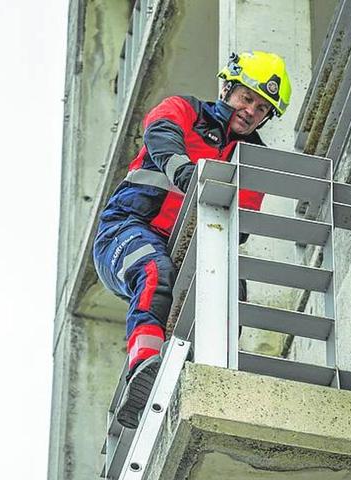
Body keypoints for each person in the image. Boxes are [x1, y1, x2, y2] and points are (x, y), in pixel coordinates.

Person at [93, 51, 292, 429]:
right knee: (154, 269)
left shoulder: (253, 158)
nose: (251, 111)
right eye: (247, 98)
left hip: (184, 248)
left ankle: (207, 377)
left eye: (262, 108)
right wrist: (185, 173)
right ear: (228, 89)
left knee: (232, 289)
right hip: (126, 228)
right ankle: (144, 370)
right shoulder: (185, 109)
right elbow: (161, 134)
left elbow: (239, 223)